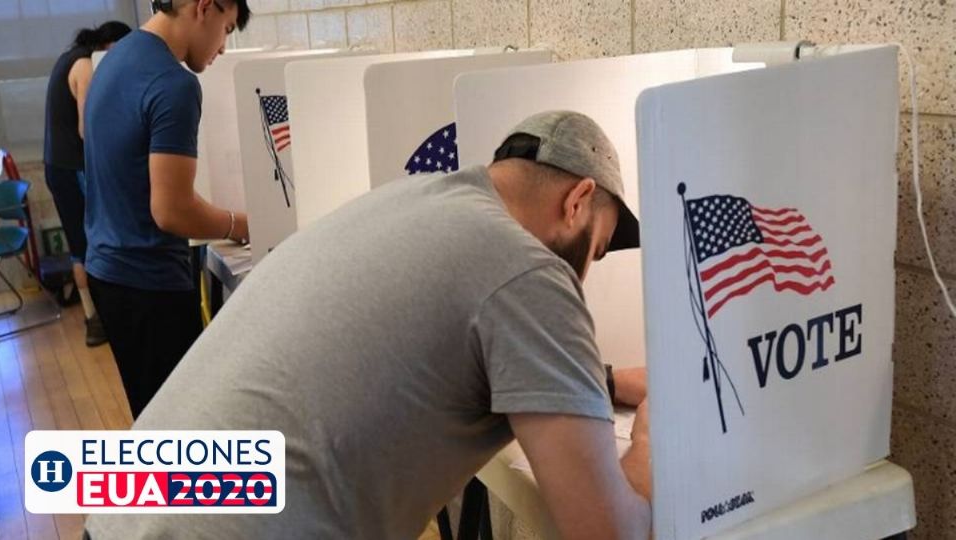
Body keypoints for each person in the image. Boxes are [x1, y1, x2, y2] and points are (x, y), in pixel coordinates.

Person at [85, 111, 653, 539]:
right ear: (577, 202)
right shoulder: (527, 267)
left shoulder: (412, 202)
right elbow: (607, 530)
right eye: (596, 250)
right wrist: (652, 439)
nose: (583, 279)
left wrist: (601, 380)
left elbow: (448, 335)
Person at [82, 0, 251, 418]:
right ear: (205, 7)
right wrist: (239, 224)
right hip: (149, 285)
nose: (224, 47)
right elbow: (171, 212)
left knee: (155, 420)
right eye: (227, 28)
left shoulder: (117, 56)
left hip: (108, 273)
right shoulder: (173, 83)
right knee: (183, 427)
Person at [43, 21, 131, 347]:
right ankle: (102, 320)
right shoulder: (85, 65)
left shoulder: (69, 57)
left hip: (57, 166)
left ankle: (94, 318)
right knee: (94, 244)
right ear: (110, 45)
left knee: (80, 245)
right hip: (74, 167)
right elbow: (87, 129)